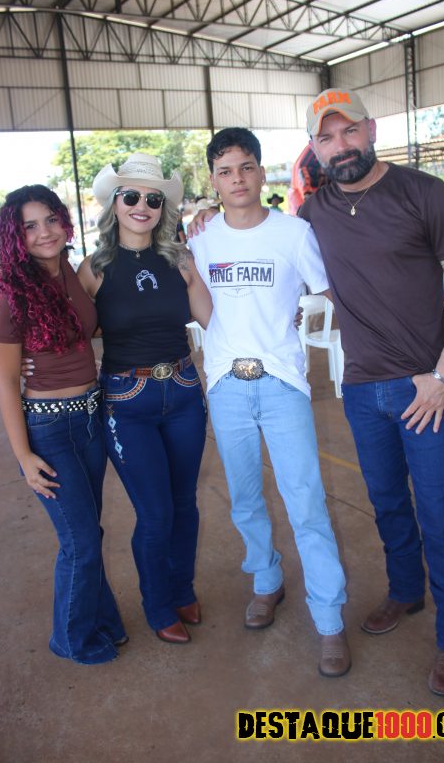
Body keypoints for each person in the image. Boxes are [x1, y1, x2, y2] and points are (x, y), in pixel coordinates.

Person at [298, 87, 444, 696]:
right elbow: (274, 253)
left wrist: (443, 378)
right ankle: (406, 591)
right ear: (315, 150)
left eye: (349, 131)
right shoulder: (313, 213)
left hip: (424, 389)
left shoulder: (422, 192)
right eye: (326, 138)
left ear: (371, 129)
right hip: (360, 389)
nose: (341, 146)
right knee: (386, 504)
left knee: (440, 515)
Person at [188, 128, 350, 677]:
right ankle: (266, 580)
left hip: (283, 384)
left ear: (261, 172)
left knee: (306, 502)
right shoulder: (200, 240)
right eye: (225, 171)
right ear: (213, 180)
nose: (237, 179)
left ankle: (329, 619)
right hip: (226, 385)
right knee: (245, 499)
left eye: (246, 167)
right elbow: (197, 305)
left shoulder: (293, 233)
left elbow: (330, 294)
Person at [77, 154, 212, 645]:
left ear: (163, 208)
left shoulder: (180, 260)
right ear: (114, 203)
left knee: (185, 504)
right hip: (126, 401)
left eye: (153, 199)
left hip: (184, 391)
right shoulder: (93, 268)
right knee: (156, 513)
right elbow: (70, 333)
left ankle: (182, 589)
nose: (142, 206)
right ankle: (157, 605)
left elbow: (216, 320)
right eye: (131, 196)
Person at [0, 185, 126, 665]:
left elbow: (86, 328)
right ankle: (70, 638)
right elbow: (6, 382)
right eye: (30, 226)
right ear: (16, 236)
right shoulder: (9, 297)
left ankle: (103, 620)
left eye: (50, 219)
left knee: (90, 533)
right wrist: (24, 457)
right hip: (49, 430)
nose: (44, 232)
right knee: (80, 541)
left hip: (90, 418)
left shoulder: (70, 270)